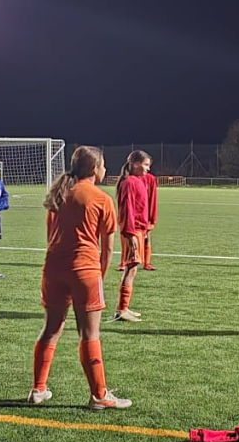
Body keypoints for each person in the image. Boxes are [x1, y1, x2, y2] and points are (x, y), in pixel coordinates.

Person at [27, 145, 131, 410]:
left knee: (50, 329)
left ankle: (38, 390)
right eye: (103, 165)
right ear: (94, 169)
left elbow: (51, 236)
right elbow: (107, 249)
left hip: (53, 269)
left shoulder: (59, 194)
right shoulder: (101, 199)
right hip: (84, 270)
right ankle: (99, 396)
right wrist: (100, 277)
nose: (105, 169)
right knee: (89, 333)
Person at [115, 150, 152, 322]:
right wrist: (130, 235)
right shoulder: (129, 182)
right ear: (135, 164)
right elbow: (127, 209)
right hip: (132, 230)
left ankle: (124, 307)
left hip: (138, 229)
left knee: (133, 268)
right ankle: (121, 310)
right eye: (145, 165)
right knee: (131, 268)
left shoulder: (138, 181)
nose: (147, 169)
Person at [142, 168, 158, 271]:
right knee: (130, 240)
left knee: (147, 238)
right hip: (133, 216)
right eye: (146, 164)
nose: (148, 168)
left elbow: (152, 198)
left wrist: (152, 217)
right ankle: (124, 262)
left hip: (146, 215)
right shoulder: (129, 179)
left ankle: (147, 263)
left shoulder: (150, 179)